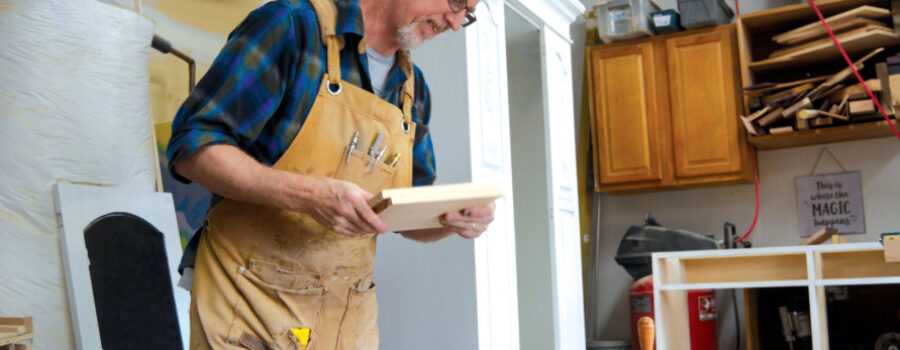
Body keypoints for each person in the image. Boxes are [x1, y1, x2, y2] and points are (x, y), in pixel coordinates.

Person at [165, 0, 494, 348]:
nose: (456, 23)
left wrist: (451, 221)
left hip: (346, 317)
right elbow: (192, 148)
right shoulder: (292, 29)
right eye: (458, 3)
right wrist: (309, 196)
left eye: (467, 15)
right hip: (250, 307)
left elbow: (409, 214)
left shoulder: (414, 90)